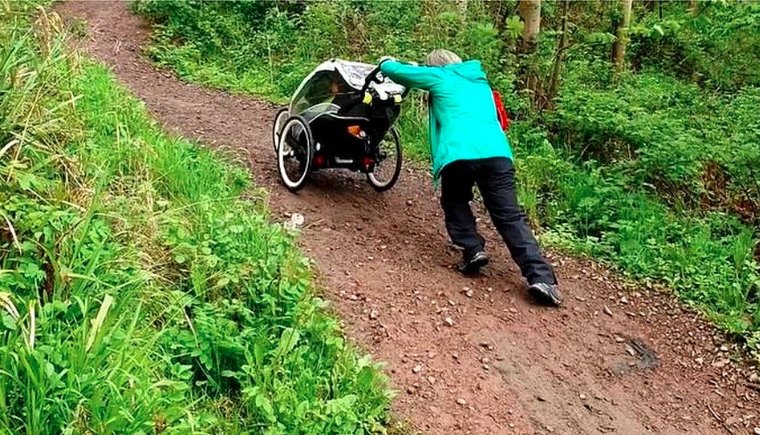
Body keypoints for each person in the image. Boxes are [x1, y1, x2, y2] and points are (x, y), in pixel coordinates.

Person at [379, 49, 562, 306]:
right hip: (497, 154)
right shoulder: (480, 82)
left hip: (460, 154)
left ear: (437, 67)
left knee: (455, 201)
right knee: (509, 216)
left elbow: (399, 73)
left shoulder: (441, 77)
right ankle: (542, 279)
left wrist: (386, 62)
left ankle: (473, 250)